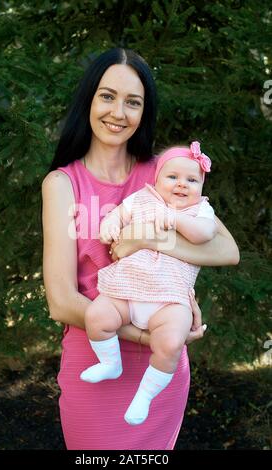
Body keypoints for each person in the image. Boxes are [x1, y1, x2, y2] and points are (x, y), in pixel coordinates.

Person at [42, 48, 239, 450]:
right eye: (107, 96)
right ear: (89, 101)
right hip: (96, 354)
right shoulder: (63, 184)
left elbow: (225, 248)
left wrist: (148, 238)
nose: (119, 112)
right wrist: (146, 337)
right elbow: (61, 301)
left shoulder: (164, 172)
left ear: (144, 112)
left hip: (161, 370)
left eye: (133, 102)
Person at [80, 141, 217, 425]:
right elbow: (119, 212)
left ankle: (144, 395)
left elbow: (204, 234)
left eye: (192, 180)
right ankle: (110, 363)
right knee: (97, 315)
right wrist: (111, 223)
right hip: (126, 290)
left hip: (169, 299)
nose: (182, 185)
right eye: (173, 177)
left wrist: (174, 217)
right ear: (157, 180)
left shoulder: (200, 211)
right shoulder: (142, 198)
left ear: (202, 187)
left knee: (169, 343)